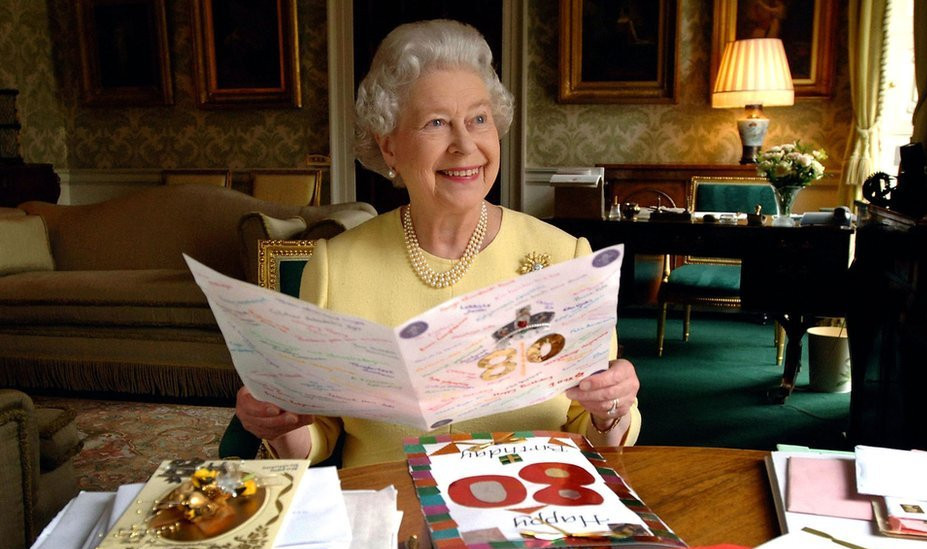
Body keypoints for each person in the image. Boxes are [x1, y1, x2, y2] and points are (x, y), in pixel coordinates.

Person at [235, 19, 641, 469]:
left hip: (528, 511)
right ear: (389, 147)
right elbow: (321, 430)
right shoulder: (336, 267)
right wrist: (281, 423)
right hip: (391, 512)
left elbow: (594, 428)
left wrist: (612, 409)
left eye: (479, 119)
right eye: (436, 123)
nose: (465, 145)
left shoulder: (567, 258)